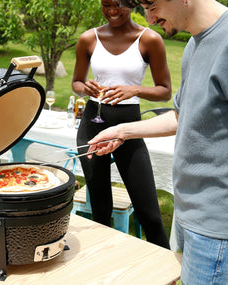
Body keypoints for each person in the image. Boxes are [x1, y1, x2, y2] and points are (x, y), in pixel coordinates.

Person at [87, 0, 228, 284]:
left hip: (223, 235)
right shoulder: (195, 43)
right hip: (189, 218)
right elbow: (182, 116)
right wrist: (122, 131)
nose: (150, 19)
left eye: (152, 6)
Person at [71, 0, 172, 249]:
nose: (112, 10)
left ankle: (169, 274)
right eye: (106, 5)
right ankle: (106, 269)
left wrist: (135, 89)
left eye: (118, 4)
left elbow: (165, 91)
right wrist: (85, 88)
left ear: (131, 4)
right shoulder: (88, 38)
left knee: (149, 213)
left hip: (129, 127)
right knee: (100, 209)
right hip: (93, 125)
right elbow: (76, 82)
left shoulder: (149, 39)